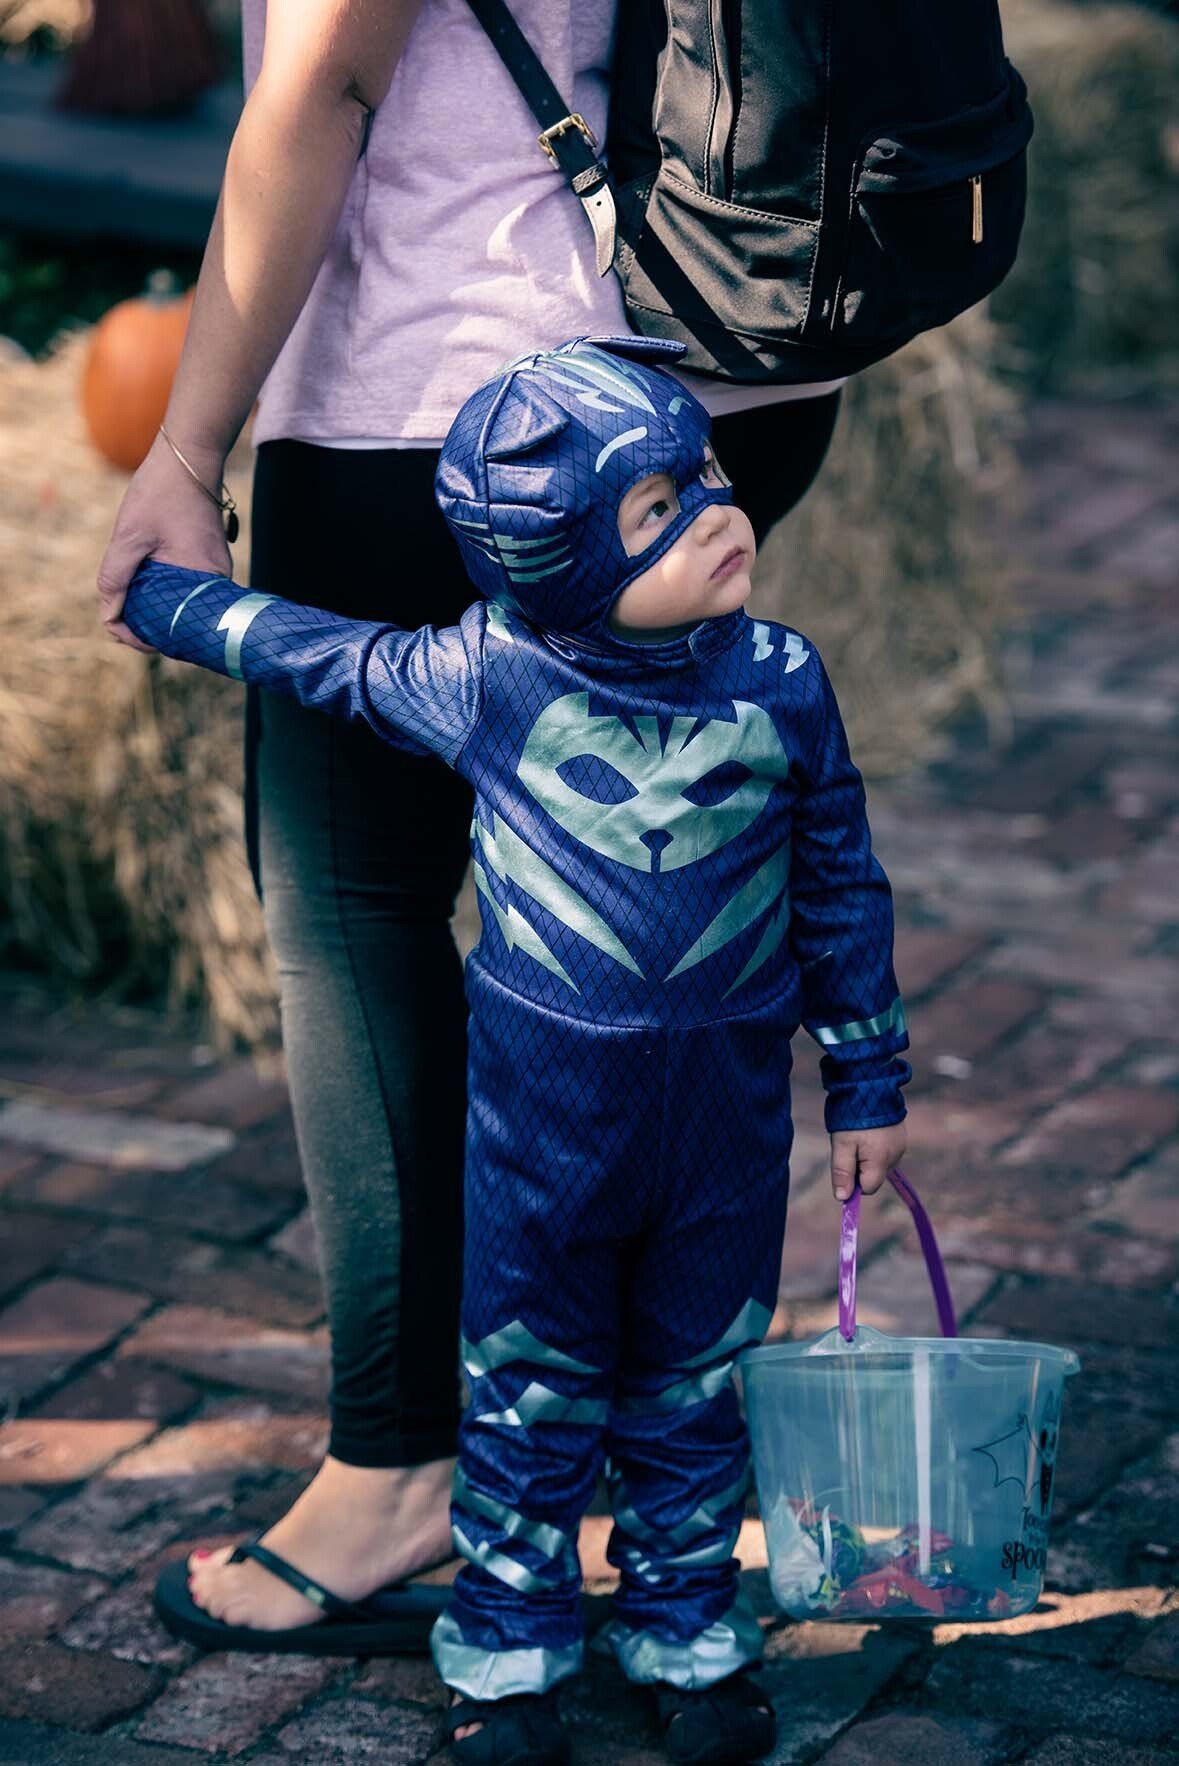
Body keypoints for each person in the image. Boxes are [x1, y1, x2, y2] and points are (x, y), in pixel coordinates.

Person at [97, 0, 846, 1655]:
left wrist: (185, 447)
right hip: (732, 360)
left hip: (468, 399)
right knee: (618, 923)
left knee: (356, 904)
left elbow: (324, 80)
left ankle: (400, 1468)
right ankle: (622, 1445)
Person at [120, 335, 910, 1765]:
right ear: (555, 562)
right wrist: (169, 599)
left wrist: (868, 1074)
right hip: (542, 1144)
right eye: (657, 509)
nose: (718, 511)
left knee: (697, 1383)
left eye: (706, 473)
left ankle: (689, 1634)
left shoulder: (780, 682)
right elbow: (318, 652)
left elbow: (841, 881)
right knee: (526, 1391)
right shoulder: (490, 680)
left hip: (726, 1141)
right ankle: (508, 1653)